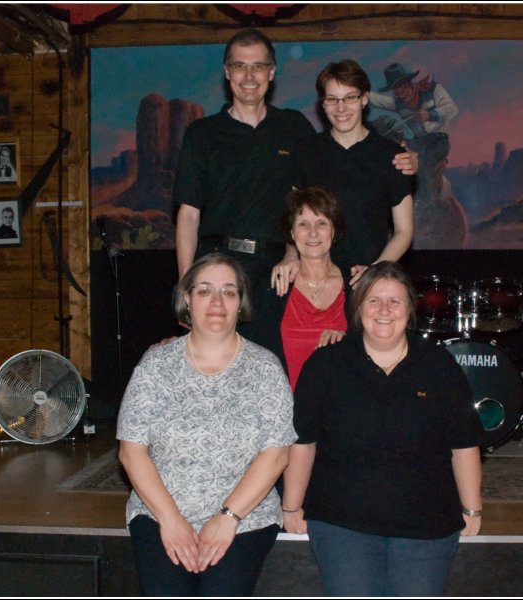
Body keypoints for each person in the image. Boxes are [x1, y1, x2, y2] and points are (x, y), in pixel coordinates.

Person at [173, 30, 415, 345]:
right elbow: (188, 216)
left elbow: (306, 200)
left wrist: (407, 160)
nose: (249, 75)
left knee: (276, 363)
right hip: (219, 263)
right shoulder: (202, 133)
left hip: (279, 273)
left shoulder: (294, 129)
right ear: (227, 72)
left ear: (271, 73)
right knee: (213, 360)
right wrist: (185, 287)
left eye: (258, 66)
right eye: (240, 66)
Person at [282, 261, 484, 596]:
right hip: (342, 523)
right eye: (374, 300)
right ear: (358, 308)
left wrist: (472, 508)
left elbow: (463, 443)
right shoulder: (326, 365)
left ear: (410, 309)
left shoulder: (438, 366)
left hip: (426, 526)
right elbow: (303, 441)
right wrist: (291, 506)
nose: (384, 311)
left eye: (395, 301)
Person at [117, 253, 297, 596]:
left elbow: (275, 455)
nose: (217, 302)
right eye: (205, 291)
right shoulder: (156, 364)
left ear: (240, 302)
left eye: (229, 292)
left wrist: (227, 518)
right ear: (187, 299)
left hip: (244, 518)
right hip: (159, 513)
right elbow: (131, 451)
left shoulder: (265, 368)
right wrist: (170, 521)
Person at [272, 59, 415, 294]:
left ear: (364, 99)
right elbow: (292, 218)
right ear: (322, 104)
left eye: (350, 97)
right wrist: (290, 256)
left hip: (370, 284)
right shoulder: (305, 152)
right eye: (332, 99)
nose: (341, 108)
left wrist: (374, 272)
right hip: (314, 282)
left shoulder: (392, 156)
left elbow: (404, 231)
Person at [261, 186, 351, 391]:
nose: (312, 233)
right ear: (292, 233)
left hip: (337, 413)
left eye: (321, 223)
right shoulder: (273, 286)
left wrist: (348, 343)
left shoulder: (356, 285)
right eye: (303, 224)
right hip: (282, 410)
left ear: (334, 231)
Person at [368, 62, 458, 140]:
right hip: (419, 144)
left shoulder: (433, 90)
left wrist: (430, 115)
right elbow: (374, 99)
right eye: (395, 89)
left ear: (409, 82)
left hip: (440, 139)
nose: (400, 93)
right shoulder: (397, 103)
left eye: (402, 87)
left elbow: (452, 109)